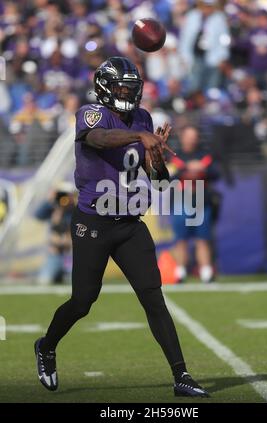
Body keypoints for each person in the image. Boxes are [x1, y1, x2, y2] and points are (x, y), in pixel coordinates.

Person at [34, 56, 209, 398]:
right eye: (122, 88)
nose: (128, 94)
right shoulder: (91, 112)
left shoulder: (142, 118)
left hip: (129, 222)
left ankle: (181, 375)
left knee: (153, 298)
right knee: (83, 301)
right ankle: (47, 346)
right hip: (94, 221)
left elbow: (158, 182)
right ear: (105, 88)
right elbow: (97, 140)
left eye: (132, 88)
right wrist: (141, 136)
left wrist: (156, 156)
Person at [168, 125, 220, 283]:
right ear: (182, 137)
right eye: (188, 136)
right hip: (180, 198)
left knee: (202, 238)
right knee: (180, 238)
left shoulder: (205, 155)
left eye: (194, 136)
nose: (191, 139)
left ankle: (205, 272)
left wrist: (201, 170)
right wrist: (187, 170)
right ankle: (180, 272)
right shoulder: (174, 155)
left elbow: (216, 173)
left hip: (201, 199)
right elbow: (168, 176)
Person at [35, 183, 76, 285]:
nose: (63, 198)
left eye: (66, 195)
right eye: (61, 195)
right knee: (44, 280)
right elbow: (38, 215)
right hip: (55, 255)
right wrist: (50, 199)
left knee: (77, 282)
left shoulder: (75, 211)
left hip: (72, 255)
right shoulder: (52, 209)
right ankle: (58, 275)